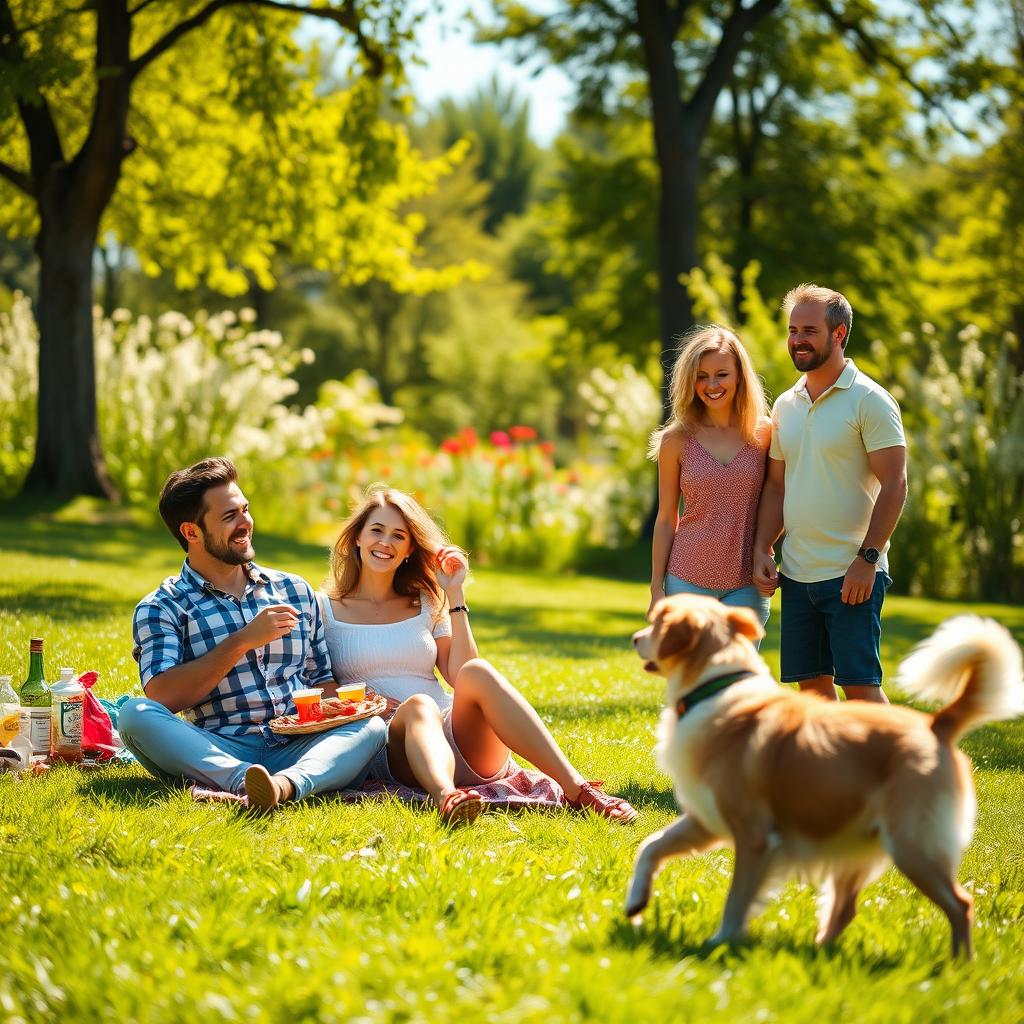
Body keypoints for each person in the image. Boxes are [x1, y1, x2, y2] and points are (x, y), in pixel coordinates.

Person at [319, 486, 639, 825]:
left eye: (399, 536)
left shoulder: (426, 603)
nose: (386, 543)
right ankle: (448, 797)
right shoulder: (324, 609)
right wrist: (373, 701)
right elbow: (316, 683)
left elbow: (461, 673)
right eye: (377, 531)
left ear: (410, 549)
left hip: (459, 741)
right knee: (418, 706)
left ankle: (579, 791)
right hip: (392, 744)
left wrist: (453, 591)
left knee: (479, 672)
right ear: (357, 537)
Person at [121, 457, 386, 810]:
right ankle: (246, 780)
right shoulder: (164, 606)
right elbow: (163, 696)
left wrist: (356, 704)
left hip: (300, 740)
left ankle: (282, 786)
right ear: (191, 532)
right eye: (229, 516)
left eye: (244, 510)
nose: (245, 522)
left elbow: (320, 680)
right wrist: (243, 640)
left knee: (371, 729)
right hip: (219, 745)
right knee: (134, 714)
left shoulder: (294, 590)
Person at [752, 283, 908, 702]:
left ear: (838, 334)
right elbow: (777, 485)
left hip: (852, 573)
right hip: (797, 574)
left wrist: (868, 560)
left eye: (809, 330)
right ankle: (832, 771)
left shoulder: (870, 400)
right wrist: (764, 548)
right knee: (813, 696)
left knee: (860, 688)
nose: (797, 340)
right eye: (792, 330)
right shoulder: (785, 404)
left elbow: (896, 484)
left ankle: (897, 767)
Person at [648, 325, 772, 640]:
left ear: (740, 375)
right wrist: (655, 588)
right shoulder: (676, 440)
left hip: (746, 583)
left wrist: (766, 551)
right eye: (701, 376)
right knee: (691, 680)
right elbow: (666, 518)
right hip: (686, 579)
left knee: (739, 681)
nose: (711, 385)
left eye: (721, 374)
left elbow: (777, 496)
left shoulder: (766, 434)